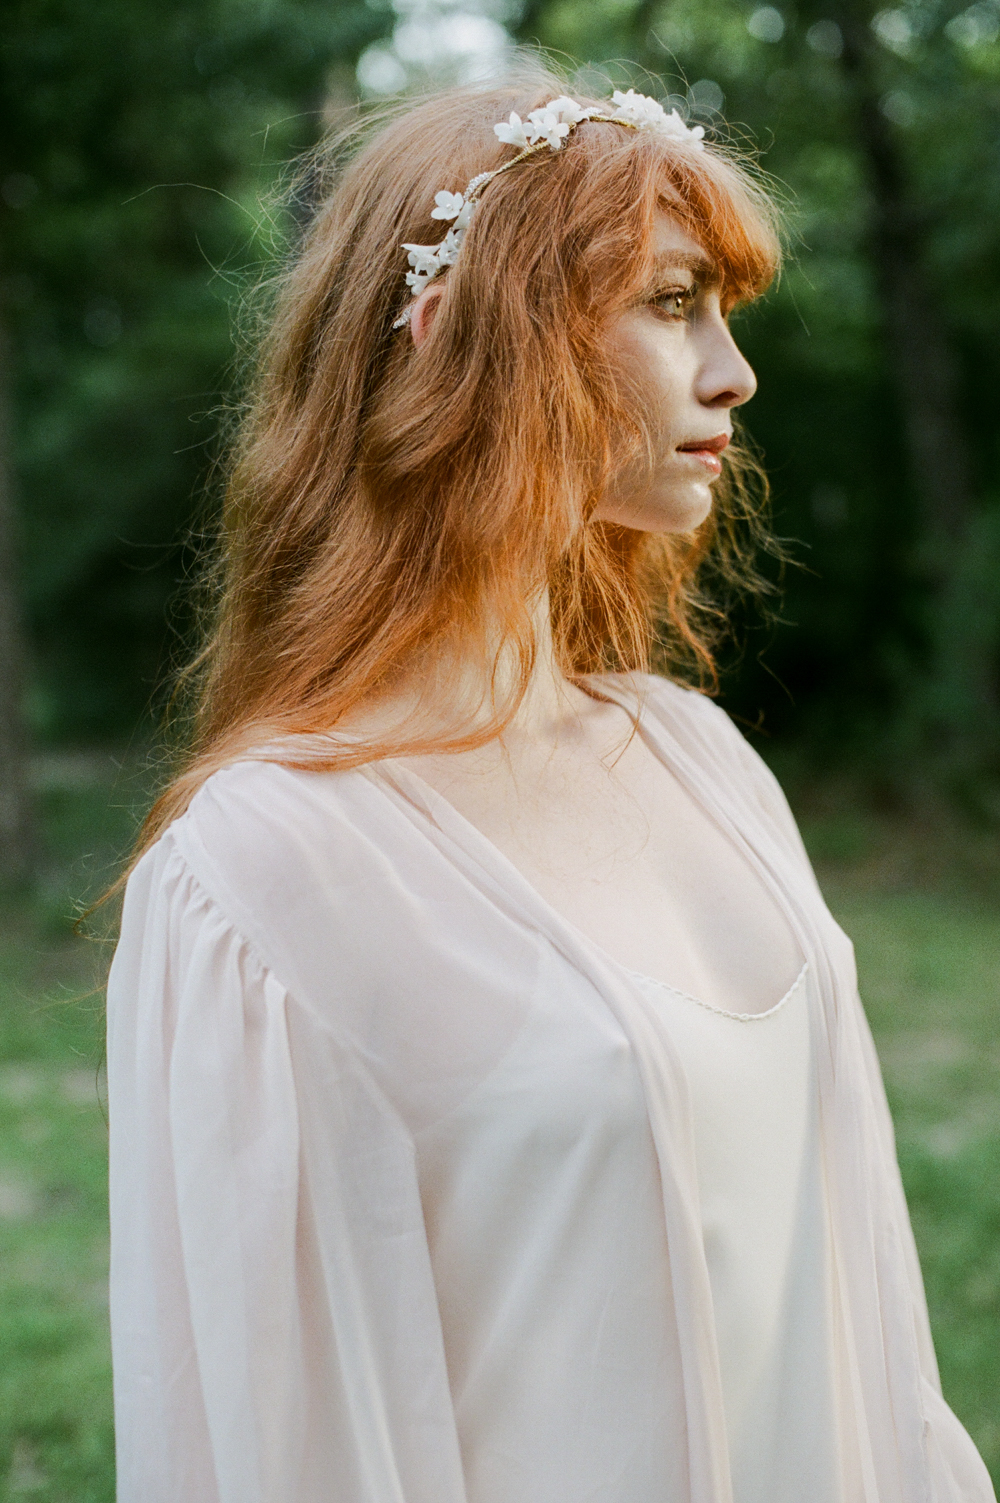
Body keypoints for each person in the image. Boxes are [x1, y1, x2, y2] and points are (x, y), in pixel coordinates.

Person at [106, 69, 995, 1503]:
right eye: (671, 301)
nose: (731, 373)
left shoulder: (697, 757)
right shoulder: (261, 882)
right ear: (478, 343)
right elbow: (281, 1446)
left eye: (723, 309)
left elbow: (872, 1323)